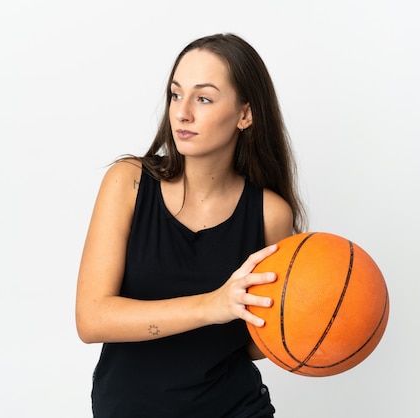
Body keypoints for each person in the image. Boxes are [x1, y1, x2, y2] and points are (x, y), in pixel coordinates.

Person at [75, 33, 307, 417]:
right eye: (175, 94)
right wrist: (214, 305)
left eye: (203, 98)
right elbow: (92, 319)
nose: (182, 112)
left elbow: (259, 339)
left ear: (245, 114)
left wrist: (312, 317)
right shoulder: (128, 182)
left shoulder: (270, 213)